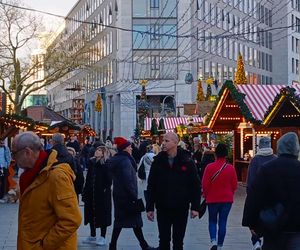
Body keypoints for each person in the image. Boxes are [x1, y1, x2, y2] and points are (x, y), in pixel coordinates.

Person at [12, 131, 81, 249]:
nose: (13, 158)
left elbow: (71, 220)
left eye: (14, 154)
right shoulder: (31, 176)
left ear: (27, 152)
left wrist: (44, 245)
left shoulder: (56, 176)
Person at [242, 132, 300, 250]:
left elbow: (254, 195)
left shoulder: (267, 169)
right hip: (296, 225)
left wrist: (251, 222)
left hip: (273, 224)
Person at [146, 132, 201, 250]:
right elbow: (151, 185)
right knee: (164, 240)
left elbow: (195, 185)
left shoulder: (186, 161)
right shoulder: (158, 161)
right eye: (163, 141)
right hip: (162, 207)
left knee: (178, 240)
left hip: (181, 207)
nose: (163, 143)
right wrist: (150, 207)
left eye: (167, 141)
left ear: (176, 143)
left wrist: (195, 207)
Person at [109, 136, 155, 250]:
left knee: (122, 221)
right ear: (125, 149)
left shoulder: (117, 159)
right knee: (133, 221)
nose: (131, 149)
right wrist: (133, 195)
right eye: (129, 147)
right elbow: (127, 179)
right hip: (127, 196)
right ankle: (143, 245)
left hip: (119, 195)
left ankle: (113, 245)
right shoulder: (125, 161)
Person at [202, 143, 238, 250]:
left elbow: (204, 184)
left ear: (215, 154)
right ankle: (220, 245)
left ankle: (213, 240)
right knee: (223, 222)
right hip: (227, 199)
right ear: (226, 155)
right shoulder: (231, 168)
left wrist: (206, 194)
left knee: (212, 220)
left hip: (212, 198)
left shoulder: (209, 167)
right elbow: (235, 185)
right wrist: (230, 193)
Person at [246, 137, 277, 250]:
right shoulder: (275, 158)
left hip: (257, 197)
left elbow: (250, 180)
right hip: (273, 198)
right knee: (271, 220)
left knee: (255, 221)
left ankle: (256, 242)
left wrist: (249, 195)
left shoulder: (255, 160)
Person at [82, 145, 112, 246]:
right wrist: (85, 191)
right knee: (91, 213)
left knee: (102, 214)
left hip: (102, 194)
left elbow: (109, 180)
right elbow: (89, 178)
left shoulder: (106, 164)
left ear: (103, 153)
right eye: (97, 150)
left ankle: (102, 236)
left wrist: (104, 190)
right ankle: (92, 235)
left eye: (100, 150)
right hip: (91, 192)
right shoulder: (92, 162)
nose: (97, 151)